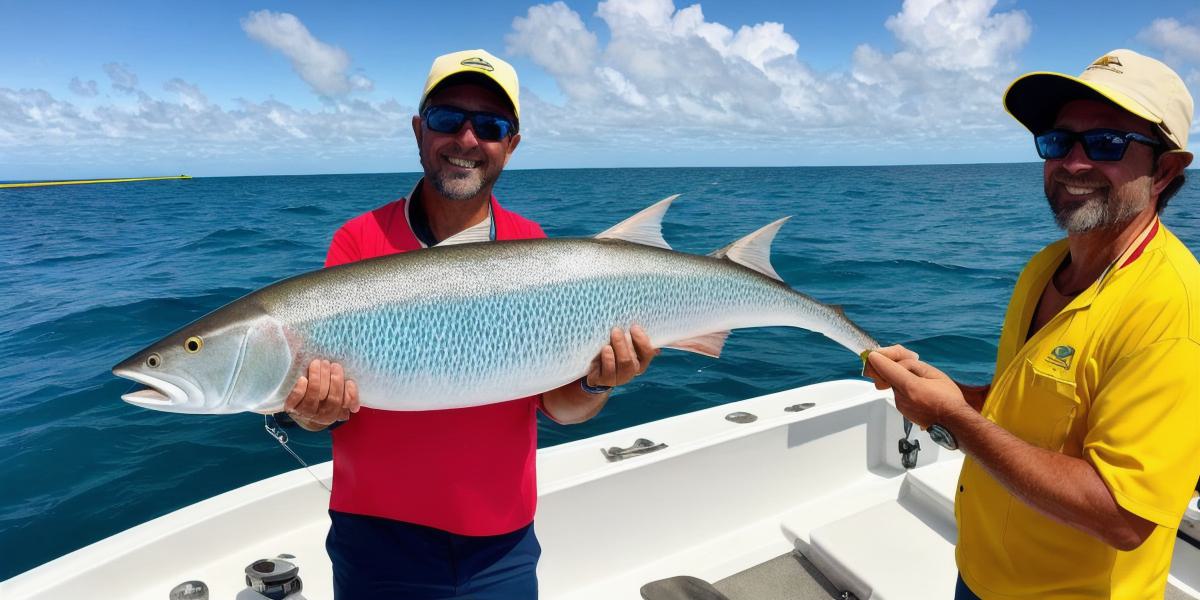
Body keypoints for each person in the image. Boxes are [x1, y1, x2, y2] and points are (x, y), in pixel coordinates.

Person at [277, 49, 658, 599]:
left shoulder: (535, 250)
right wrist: (312, 413)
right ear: (418, 129)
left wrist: (599, 381)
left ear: (512, 144)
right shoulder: (359, 242)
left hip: (500, 544)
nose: (467, 139)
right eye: (447, 118)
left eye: (492, 125)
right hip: (376, 538)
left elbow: (561, 408)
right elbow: (326, 406)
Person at [865, 49, 1200, 599]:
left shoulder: (1173, 312)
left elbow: (1123, 517)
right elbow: (1029, 408)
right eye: (1057, 141)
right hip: (979, 572)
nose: (1072, 162)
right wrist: (953, 396)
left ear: (1164, 171)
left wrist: (954, 420)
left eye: (1107, 143)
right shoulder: (1045, 265)